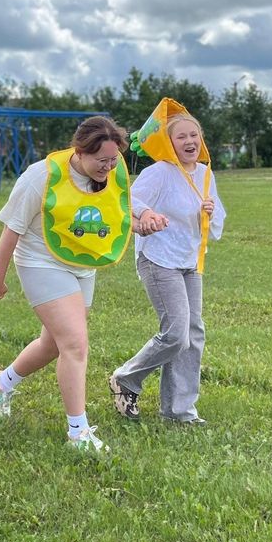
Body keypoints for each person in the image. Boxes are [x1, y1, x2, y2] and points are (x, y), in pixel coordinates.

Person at [0, 116, 168, 452]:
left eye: (114, 160)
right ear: (79, 152)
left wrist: (143, 224)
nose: (109, 168)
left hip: (82, 264)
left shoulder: (112, 173)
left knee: (53, 345)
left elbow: (115, 218)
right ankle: (77, 433)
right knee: (76, 345)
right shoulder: (41, 177)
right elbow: (11, 230)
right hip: (41, 261)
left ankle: (2, 382)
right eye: (102, 161)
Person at [108, 110, 226, 425]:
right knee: (176, 333)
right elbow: (128, 201)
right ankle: (127, 377)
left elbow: (217, 225)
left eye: (194, 135)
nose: (189, 141)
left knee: (192, 333)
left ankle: (178, 410)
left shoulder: (204, 174)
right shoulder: (159, 172)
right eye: (181, 136)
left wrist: (211, 212)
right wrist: (146, 215)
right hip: (158, 258)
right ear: (169, 142)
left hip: (189, 260)